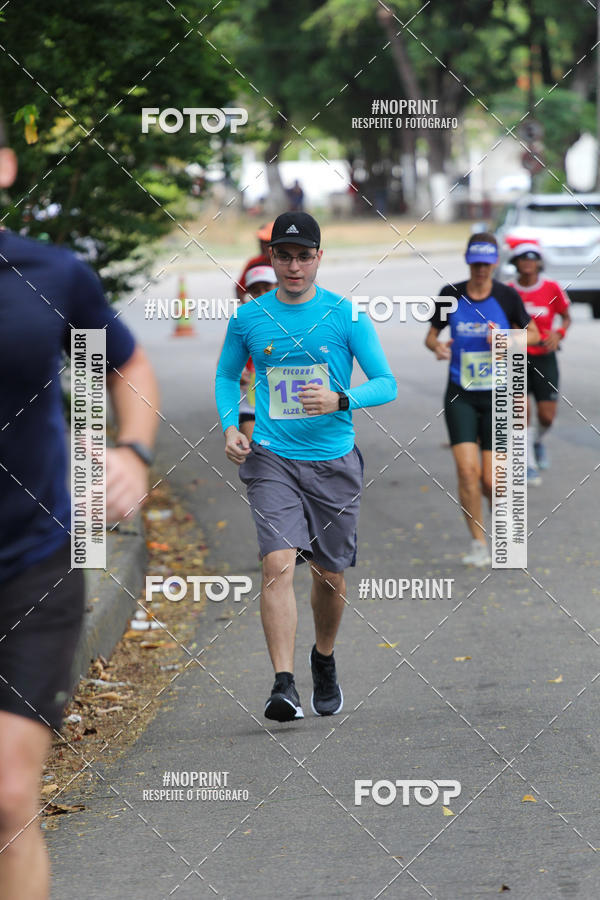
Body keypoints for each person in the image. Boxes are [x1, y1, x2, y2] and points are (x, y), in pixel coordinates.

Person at [0, 116, 159, 899]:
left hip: (31, 564)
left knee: (8, 797)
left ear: (4, 167)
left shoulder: (51, 276)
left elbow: (124, 363)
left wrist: (131, 450)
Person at [216, 212, 397, 722]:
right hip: (271, 457)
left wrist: (341, 399)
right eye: (283, 255)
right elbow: (228, 378)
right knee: (276, 565)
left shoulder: (345, 315)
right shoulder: (250, 317)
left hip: (333, 461)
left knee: (330, 575)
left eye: (303, 256)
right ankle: (283, 684)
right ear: (270, 258)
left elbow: (387, 383)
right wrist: (232, 426)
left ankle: (323, 658)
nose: (293, 266)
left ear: (319, 258)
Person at [425, 232, 540, 567]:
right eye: (475, 263)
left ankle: (503, 522)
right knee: (466, 470)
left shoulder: (506, 297)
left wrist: (504, 338)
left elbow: (534, 334)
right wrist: (439, 347)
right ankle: (478, 543)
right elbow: (431, 337)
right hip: (460, 392)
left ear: (494, 264)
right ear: (468, 261)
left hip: (498, 395)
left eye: (486, 264)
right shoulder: (450, 295)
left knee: (492, 479)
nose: (480, 270)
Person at [507, 243, 571, 486]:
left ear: (538, 263)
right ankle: (528, 465)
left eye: (532, 259)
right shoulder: (508, 290)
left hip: (545, 356)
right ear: (516, 263)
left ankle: (537, 441)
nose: (527, 263)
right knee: (522, 411)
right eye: (522, 259)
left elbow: (566, 316)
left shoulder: (551, 287)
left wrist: (559, 333)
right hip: (518, 356)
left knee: (546, 416)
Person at [237, 264, 278, 440]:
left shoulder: (296, 318)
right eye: (255, 291)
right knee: (256, 453)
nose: (261, 295)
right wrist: (238, 374)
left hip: (288, 404)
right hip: (252, 401)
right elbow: (225, 369)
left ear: (278, 287)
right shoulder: (241, 321)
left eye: (266, 288)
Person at [234, 221, 273, 301]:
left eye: (268, 242)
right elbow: (239, 289)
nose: (263, 246)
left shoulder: (288, 264)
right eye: (261, 241)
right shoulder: (254, 262)